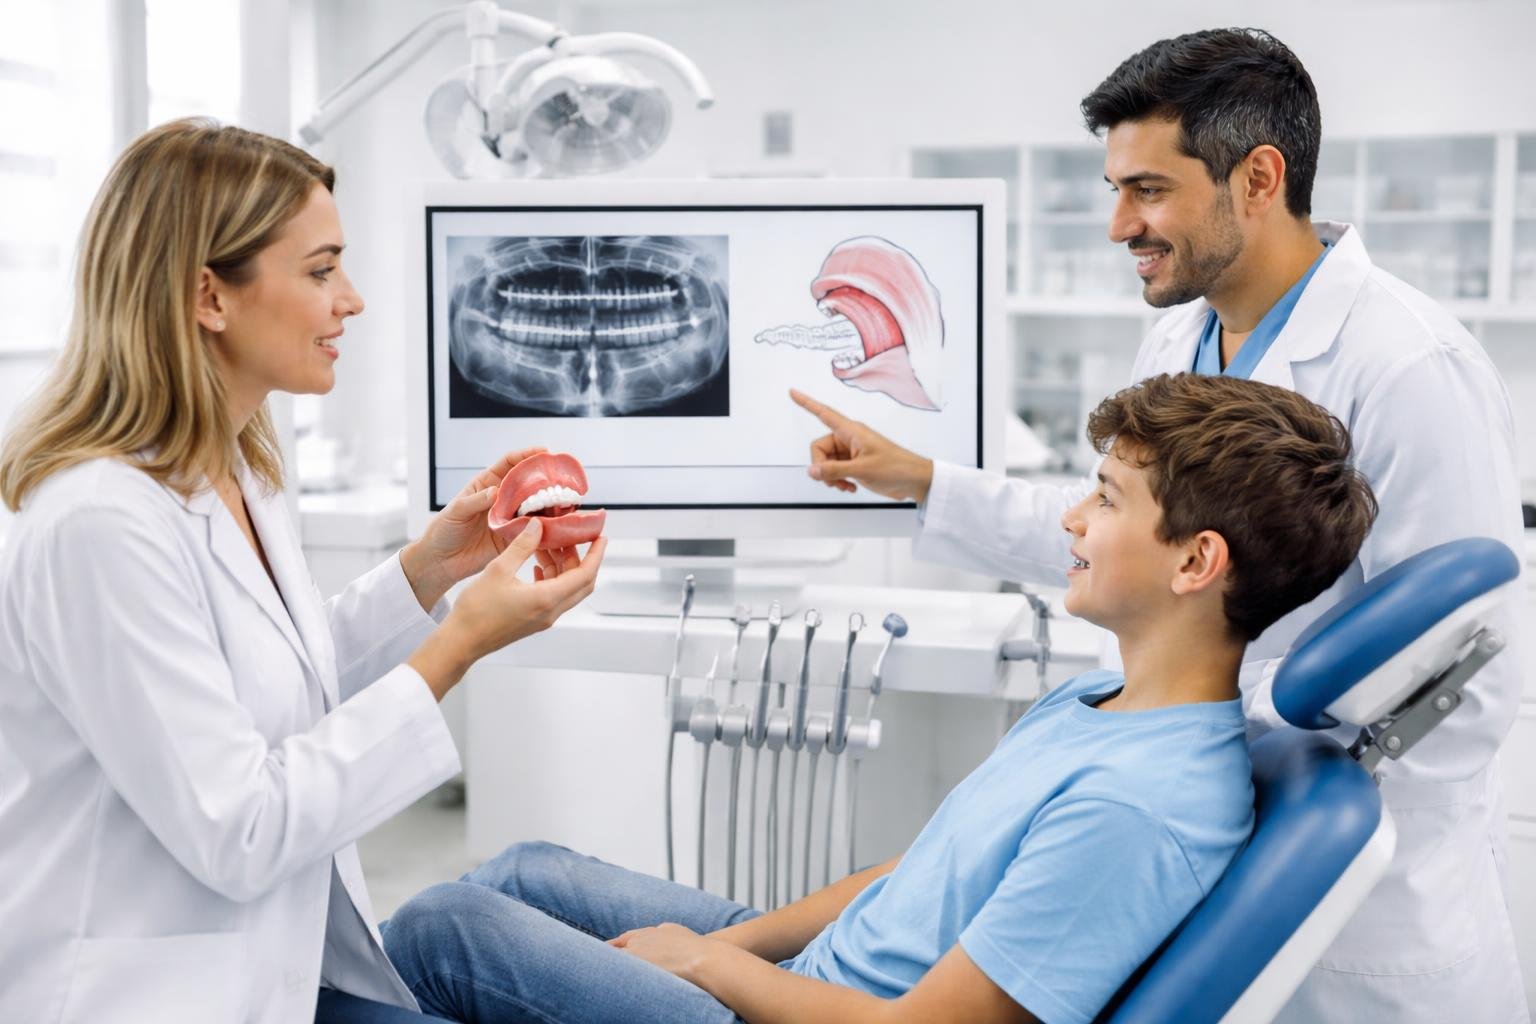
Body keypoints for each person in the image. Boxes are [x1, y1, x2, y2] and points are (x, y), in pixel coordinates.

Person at [791, 27, 1528, 1022]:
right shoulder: (1184, 330)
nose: (1118, 225)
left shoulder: (1408, 366)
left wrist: (1215, 731)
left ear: (1258, 178)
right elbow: (1132, 530)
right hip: (1208, 851)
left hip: (1361, 919)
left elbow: (1465, 682)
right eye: (1114, 189)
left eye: (1148, 189)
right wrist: (924, 481)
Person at [376, 372, 1378, 1024]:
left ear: (1197, 560)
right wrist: (720, 944)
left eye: (1107, 499)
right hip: (825, 975)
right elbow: (920, 870)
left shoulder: (1143, 805)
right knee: (521, 870)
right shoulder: (1100, 703)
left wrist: (710, 971)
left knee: (443, 925)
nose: (1071, 517)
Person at [0, 119, 606, 1022]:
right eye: (321, 271)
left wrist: (431, 568)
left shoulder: (239, 465)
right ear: (210, 296)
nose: (351, 301)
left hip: (272, 971)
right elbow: (238, 828)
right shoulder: (101, 524)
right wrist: (460, 648)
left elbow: (279, 679)